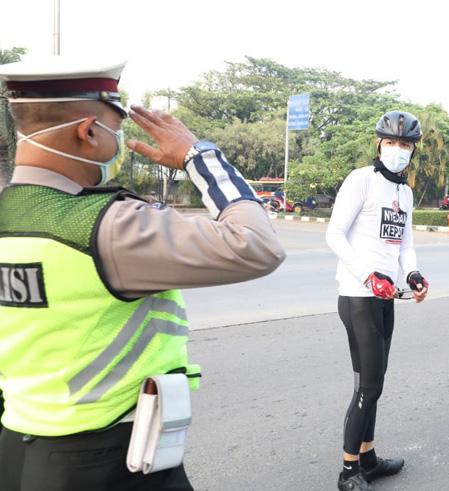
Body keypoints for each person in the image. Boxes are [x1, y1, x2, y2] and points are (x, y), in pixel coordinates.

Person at [0, 57, 286, 490]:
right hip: (109, 461)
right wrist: (199, 156)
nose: (119, 141)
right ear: (89, 132)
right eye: (117, 128)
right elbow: (257, 244)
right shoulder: (107, 226)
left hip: (18, 447)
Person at [325, 111, 429, 491]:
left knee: (375, 383)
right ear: (378, 144)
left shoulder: (404, 191)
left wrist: (413, 275)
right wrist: (368, 275)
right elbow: (334, 235)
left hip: (385, 298)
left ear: (413, 150)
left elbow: (404, 244)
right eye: (391, 143)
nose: (397, 150)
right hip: (358, 296)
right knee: (368, 386)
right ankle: (348, 470)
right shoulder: (361, 181)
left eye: (405, 145)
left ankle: (368, 459)